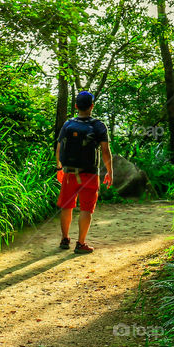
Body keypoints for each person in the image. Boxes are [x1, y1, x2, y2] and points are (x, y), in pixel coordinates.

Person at [55, 91, 113, 254]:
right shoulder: (99, 126)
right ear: (92, 106)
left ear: (76, 106)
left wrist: (59, 168)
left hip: (69, 173)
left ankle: (65, 239)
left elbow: (59, 149)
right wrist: (109, 172)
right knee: (86, 209)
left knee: (67, 206)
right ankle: (80, 243)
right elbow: (105, 151)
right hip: (89, 174)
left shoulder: (67, 125)